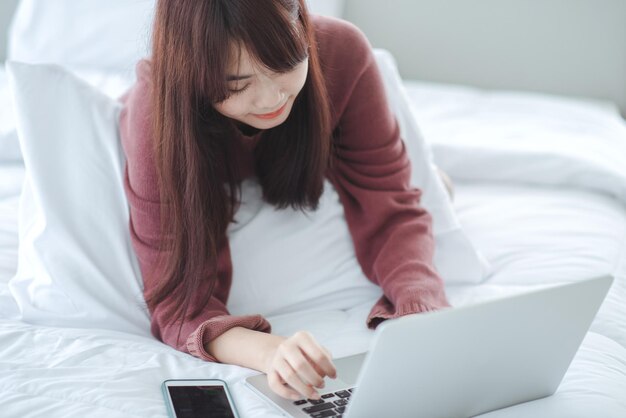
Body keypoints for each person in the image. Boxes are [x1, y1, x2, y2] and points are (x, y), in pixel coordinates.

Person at [119, 0, 451, 402]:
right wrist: (271, 352)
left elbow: (391, 204)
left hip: (317, 154)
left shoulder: (340, 52)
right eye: (237, 84)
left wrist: (422, 312)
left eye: (285, 64)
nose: (270, 98)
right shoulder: (155, 115)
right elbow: (177, 301)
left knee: (432, 191)